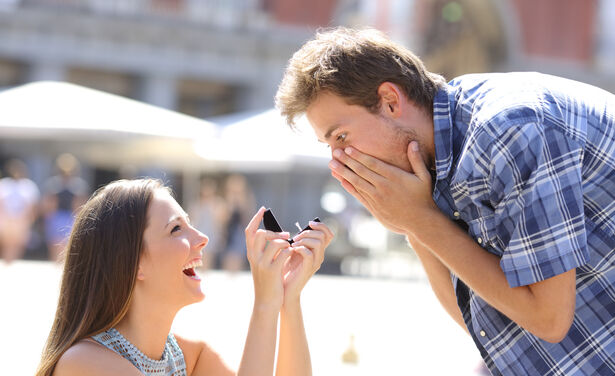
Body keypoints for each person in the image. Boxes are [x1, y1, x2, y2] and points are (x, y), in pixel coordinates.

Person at [275, 27, 615, 375]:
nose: (338, 160)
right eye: (330, 147)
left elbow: (548, 319)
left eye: (342, 136)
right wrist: (413, 222)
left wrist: (420, 220)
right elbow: (485, 325)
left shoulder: (508, 130)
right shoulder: (444, 150)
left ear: (391, 101)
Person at [36, 178, 333, 376]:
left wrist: (287, 299)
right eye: (176, 229)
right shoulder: (85, 363)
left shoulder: (188, 357)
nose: (202, 238)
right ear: (132, 262)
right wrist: (265, 304)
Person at [41, 153, 89, 261]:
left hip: (70, 218)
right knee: (55, 247)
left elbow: (80, 204)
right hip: (57, 217)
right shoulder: (54, 184)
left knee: (67, 248)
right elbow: (48, 203)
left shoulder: (77, 185)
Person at [0, 158, 40, 263]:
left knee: (19, 243)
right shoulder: (4, 184)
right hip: (6, 218)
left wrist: (30, 219)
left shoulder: (28, 185)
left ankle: (12, 262)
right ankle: (7, 262)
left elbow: (32, 205)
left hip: (22, 219)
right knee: (6, 242)